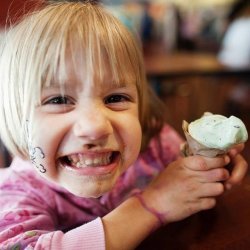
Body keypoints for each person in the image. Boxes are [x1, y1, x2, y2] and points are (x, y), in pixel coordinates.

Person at [0, 1, 247, 249]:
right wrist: (151, 205)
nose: (95, 127)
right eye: (59, 100)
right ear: (15, 116)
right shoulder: (17, 190)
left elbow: (185, 186)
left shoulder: (156, 145)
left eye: (115, 98)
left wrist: (210, 170)